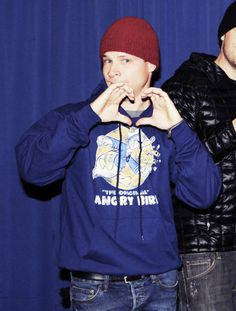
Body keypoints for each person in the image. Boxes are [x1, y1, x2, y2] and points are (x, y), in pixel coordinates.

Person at [15, 17, 221, 311]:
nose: (112, 70)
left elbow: (204, 195)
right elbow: (34, 170)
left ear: (150, 65)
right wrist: (87, 118)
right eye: (107, 60)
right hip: (96, 288)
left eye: (125, 59)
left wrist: (179, 128)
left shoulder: (166, 127)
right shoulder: (75, 119)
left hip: (160, 284)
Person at [162, 2, 236, 311]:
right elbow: (171, 165)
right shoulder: (187, 85)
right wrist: (232, 130)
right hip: (207, 250)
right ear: (223, 35)